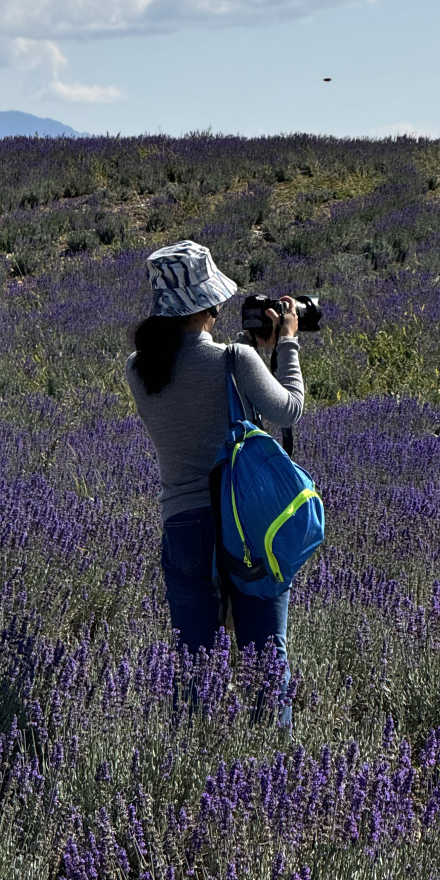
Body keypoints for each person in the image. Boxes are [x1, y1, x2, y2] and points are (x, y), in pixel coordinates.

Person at [126, 239, 304, 722]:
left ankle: (197, 759)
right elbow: (287, 408)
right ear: (209, 302)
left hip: (183, 525)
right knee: (267, 659)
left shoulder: (139, 370)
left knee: (194, 668)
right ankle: (276, 766)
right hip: (245, 523)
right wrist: (285, 343)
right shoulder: (233, 360)